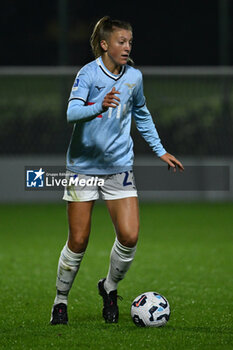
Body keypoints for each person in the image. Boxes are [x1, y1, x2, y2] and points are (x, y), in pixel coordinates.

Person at [50, 16, 184, 325]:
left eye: (130, 42)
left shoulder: (134, 77)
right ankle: (60, 300)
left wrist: (160, 149)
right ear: (104, 45)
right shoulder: (87, 74)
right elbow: (72, 113)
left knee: (130, 235)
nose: (127, 47)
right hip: (83, 167)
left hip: (119, 167)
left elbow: (142, 113)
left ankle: (108, 288)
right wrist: (99, 104)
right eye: (121, 42)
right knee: (79, 240)